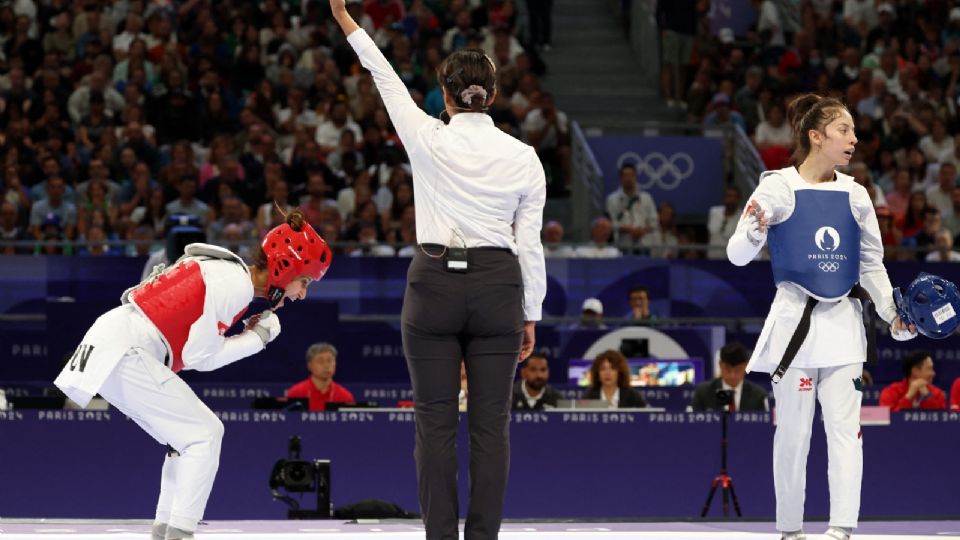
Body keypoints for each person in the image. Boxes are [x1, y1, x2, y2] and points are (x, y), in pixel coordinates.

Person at [331, 3, 547, 540]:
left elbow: (383, 74)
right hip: (500, 287)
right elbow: (530, 244)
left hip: (433, 288)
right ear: (492, 96)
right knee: (491, 427)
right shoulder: (524, 157)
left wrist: (343, 16)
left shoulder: (426, 135)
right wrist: (531, 314)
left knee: (434, 424)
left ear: (445, 95)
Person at [54, 210, 331, 540]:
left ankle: (164, 530)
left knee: (184, 440)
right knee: (206, 433)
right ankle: (179, 534)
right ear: (288, 267)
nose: (302, 294)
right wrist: (257, 339)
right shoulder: (236, 285)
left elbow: (195, 349)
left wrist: (245, 336)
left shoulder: (229, 276)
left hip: (114, 344)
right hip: (125, 350)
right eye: (305, 282)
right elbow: (200, 357)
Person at [726, 93, 916, 540]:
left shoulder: (856, 194)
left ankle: (841, 529)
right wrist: (754, 225)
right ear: (816, 136)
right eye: (843, 130)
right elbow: (737, 256)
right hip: (794, 326)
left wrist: (893, 316)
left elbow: (871, 265)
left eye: (853, 131)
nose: (854, 139)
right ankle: (790, 530)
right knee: (792, 435)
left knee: (845, 432)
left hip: (844, 326)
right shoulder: (776, 186)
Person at [690, 342, 768, 412]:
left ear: (746, 366)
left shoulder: (758, 396)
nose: (732, 375)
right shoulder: (703, 393)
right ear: (720, 365)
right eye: (728, 369)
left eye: (738, 370)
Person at [286, 342, 355, 411]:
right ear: (309, 366)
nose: (326, 366)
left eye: (330, 361)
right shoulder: (296, 393)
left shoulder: (345, 396)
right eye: (320, 361)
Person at [878, 350, 946, 412]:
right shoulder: (890, 392)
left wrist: (928, 396)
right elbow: (889, 420)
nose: (933, 373)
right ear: (915, 371)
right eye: (929, 369)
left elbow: (940, 422)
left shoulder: (938, 394)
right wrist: (908, 397)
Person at [583, 350, 648, 408]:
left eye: (612, 368)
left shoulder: (633, 397)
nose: (607, 373)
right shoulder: (588, 397)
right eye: (603, 369)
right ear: (597, 373)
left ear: (620, 372)